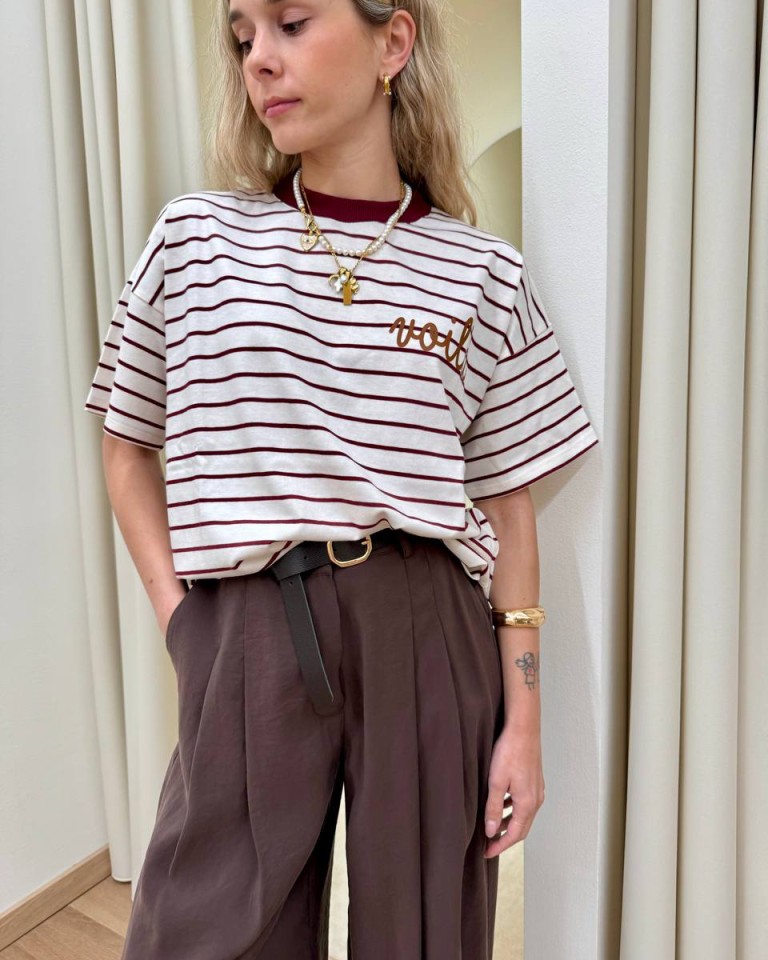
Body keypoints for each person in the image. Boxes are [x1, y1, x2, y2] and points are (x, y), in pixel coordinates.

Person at [84, 0, 600, 956]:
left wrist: (523, 722)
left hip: (425, 620)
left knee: (424, 932)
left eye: (290, 23)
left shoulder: (482, 273)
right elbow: (126, 443)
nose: (259, 60)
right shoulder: (196, 240)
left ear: (392, 43)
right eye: (243, 37)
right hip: (248, 619)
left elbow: (508, 503)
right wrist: (183, 618)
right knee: (206, 925)